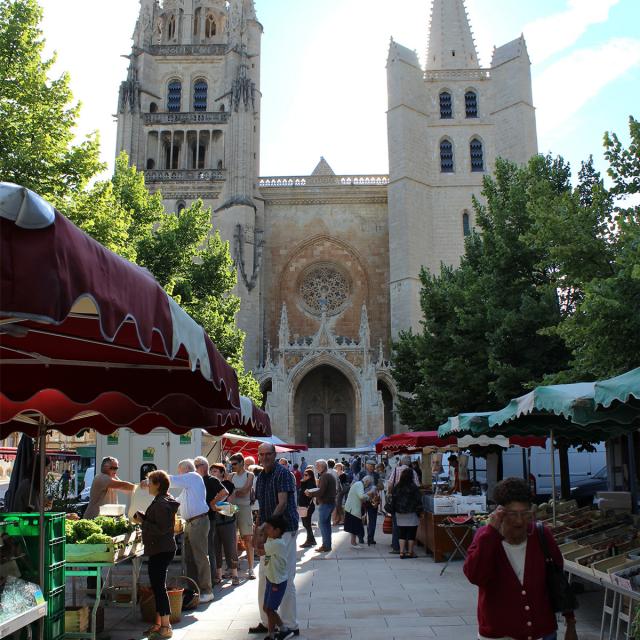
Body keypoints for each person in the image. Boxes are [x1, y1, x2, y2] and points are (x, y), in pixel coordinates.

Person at [464, 477, 577, 640]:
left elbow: (559, 578)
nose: (519, 521)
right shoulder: (486, 537)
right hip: (499, 633)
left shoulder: (541, 535)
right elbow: (475, 576)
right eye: (512, 514)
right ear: (500, 512)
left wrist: (570, 622)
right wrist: (491, 533)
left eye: (525, 514)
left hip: (542, 631)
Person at [250, 443, 299, 637]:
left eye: (268, 454)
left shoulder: (284, 474)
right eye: (261, 455)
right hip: (268, 532)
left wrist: (264, 527)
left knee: (284, 576)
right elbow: (262, 507)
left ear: (274, 454)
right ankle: (266, 620)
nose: (265, 458)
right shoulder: (260, 477)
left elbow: (283, 503)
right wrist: (257, 530)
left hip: (284, 530)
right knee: (264, 574)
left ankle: (290, 624)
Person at [133, 470, 179, 640]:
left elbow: (160, 529)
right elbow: (160, 524)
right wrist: (144, 518)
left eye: (150, 482)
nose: (148, 485)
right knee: (158, 586)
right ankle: (160, 624)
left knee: (159, 588)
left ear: (158, 484)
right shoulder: (162, 500)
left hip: (161, 549)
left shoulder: (161, 503)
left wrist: (143, 521)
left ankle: (166, 627)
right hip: (161, 548)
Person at [165, 460, 213, 602]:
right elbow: (177, 501)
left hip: (198, 522)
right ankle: (194, 589)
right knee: (190, 559)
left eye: (180, 471)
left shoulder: (193, 476)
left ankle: (207, 590)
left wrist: (153, 479)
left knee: (200, 557)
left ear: (185, 470)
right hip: (192, 523)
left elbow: (171, 480)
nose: (179, 474)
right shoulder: (188, 487)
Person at [193, 456, 228, 589]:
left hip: (209, 518)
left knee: (209, 549)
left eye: (196, 466)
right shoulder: (198, 480)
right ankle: (206, 578)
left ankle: (212, 578)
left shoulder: (211, 479)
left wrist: (213, 502)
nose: (194, 469)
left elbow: (225, 492)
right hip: (199, 518)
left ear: (203, 466)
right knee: (204, 549)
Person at [262, 514, 293, 640]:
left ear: (277, 530)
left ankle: (274, 633)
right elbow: (268, 556)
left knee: (270, 609)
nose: (266, 530)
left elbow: (259, 549)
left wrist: (257, 531)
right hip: (271, 578)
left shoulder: (278, 543)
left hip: (277, 582)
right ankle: (281, 630)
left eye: (269, 528)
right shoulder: (271, 540)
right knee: (267, 608)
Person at [209, 463, 239, 585]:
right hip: (214, 520)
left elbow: (232, 506)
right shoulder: (208, 484)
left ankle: (235, 574)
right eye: (211, 471)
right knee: (216, 548)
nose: (212, 473)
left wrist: (215, 506)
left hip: (227, 521)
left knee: (230, 548)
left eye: (215, 471)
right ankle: (219, 574)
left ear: (222, 472)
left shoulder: (229, 485)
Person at [229, 453, 256, 579]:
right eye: (231, 464)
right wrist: (236, 492)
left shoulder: (249, 474)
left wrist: (234, 492)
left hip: (244, 508)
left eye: (234, 464)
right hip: (233, 508)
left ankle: (251, 569)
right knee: (232, 540)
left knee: (248, 539)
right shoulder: (231, 475)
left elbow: (245, 490)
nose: (232, 466)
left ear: (241, 463)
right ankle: (234, 567)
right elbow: (228, 491)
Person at [386, 455, 419, 554]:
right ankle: (409, 550)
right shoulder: (413, 472)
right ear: (409, 463)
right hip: (410, 506)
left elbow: (390, 484)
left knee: (397, 527)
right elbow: (417, 486)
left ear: (401, 461)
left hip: (398, 505)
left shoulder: (396, 470)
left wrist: (390, 494)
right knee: (411, 529)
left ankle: (397, 548)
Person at [391, 468, 423, 558]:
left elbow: (393, 499)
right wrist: (420, 511)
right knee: (411, 533)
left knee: (402, 533)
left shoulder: (397, 487)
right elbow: (418, 500)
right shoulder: (414, 487)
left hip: (400, 513)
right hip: (412, 513)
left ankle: (401, 552)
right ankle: (410, 552)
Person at [306, 459, 336, 553]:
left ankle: (326, 545)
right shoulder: (328, 475)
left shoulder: (325, 476)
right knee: (326, 525)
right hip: (329, 503)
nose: (316, 467)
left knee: (323, 525)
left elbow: (321, 491)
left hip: (326, 503)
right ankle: (327, 545)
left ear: (322, 467)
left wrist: (310, 493)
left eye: (317, 466)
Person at [344, 475, 373, 549]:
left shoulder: (358, 484)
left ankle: (353, 542)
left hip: (352, 508)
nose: (367, 486)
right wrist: (368, 495)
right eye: (368, 484)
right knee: (354, 527)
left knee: (353, 527)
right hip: (353, 509)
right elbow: (361, 496)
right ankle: (353, 543)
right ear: (366, 481)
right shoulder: (360, 485)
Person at [359, 461, 382, 544]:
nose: (372, 467)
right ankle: (361, 537)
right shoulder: (361, 474)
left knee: (372, 520)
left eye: (373, 466)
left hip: (373, 500)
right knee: (360, 519)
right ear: (366, 465)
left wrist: (377, 486)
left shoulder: (376, 475)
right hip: (362, 499)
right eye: (371, 466)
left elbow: (381, 486)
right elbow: (354, 484)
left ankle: (370, 538)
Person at [298, 466, 317, 548]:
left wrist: (303, 484)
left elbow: (308, 494)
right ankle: (311, 539)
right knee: (306, 524)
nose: (304, 476)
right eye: (304, 474)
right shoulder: (306, 483)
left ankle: (309, 540)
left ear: (310, 476)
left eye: (306, 475)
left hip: (307, 506)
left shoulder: (310, 484)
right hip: (304, 506)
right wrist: (302, 482)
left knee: (307, 524)